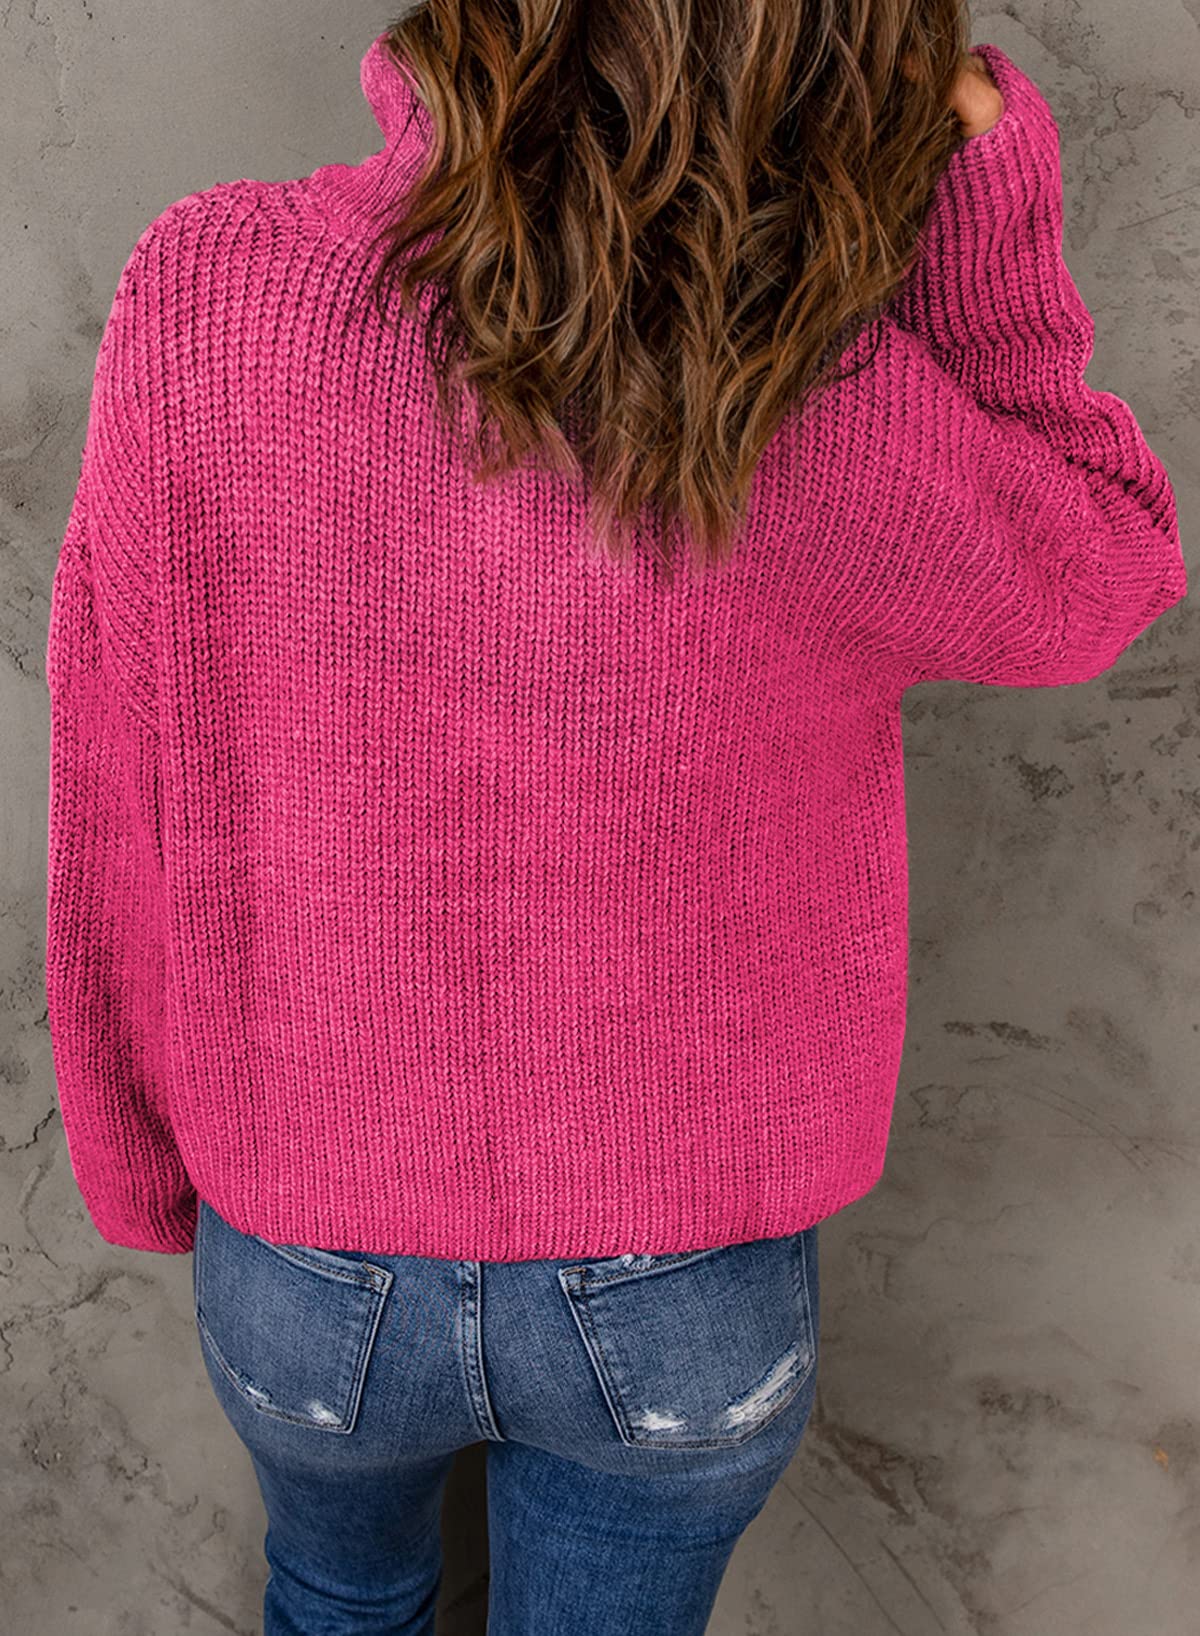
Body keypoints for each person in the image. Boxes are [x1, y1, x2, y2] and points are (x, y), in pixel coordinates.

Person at [43, 5, 1186, 1632]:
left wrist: (140, 1155)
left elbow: (116, 756)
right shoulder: (810, 382)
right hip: (682, 1288)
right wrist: (987, 162)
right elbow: (1099, 567)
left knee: (331, 1598)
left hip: (302, 1249)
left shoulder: (211, 291)